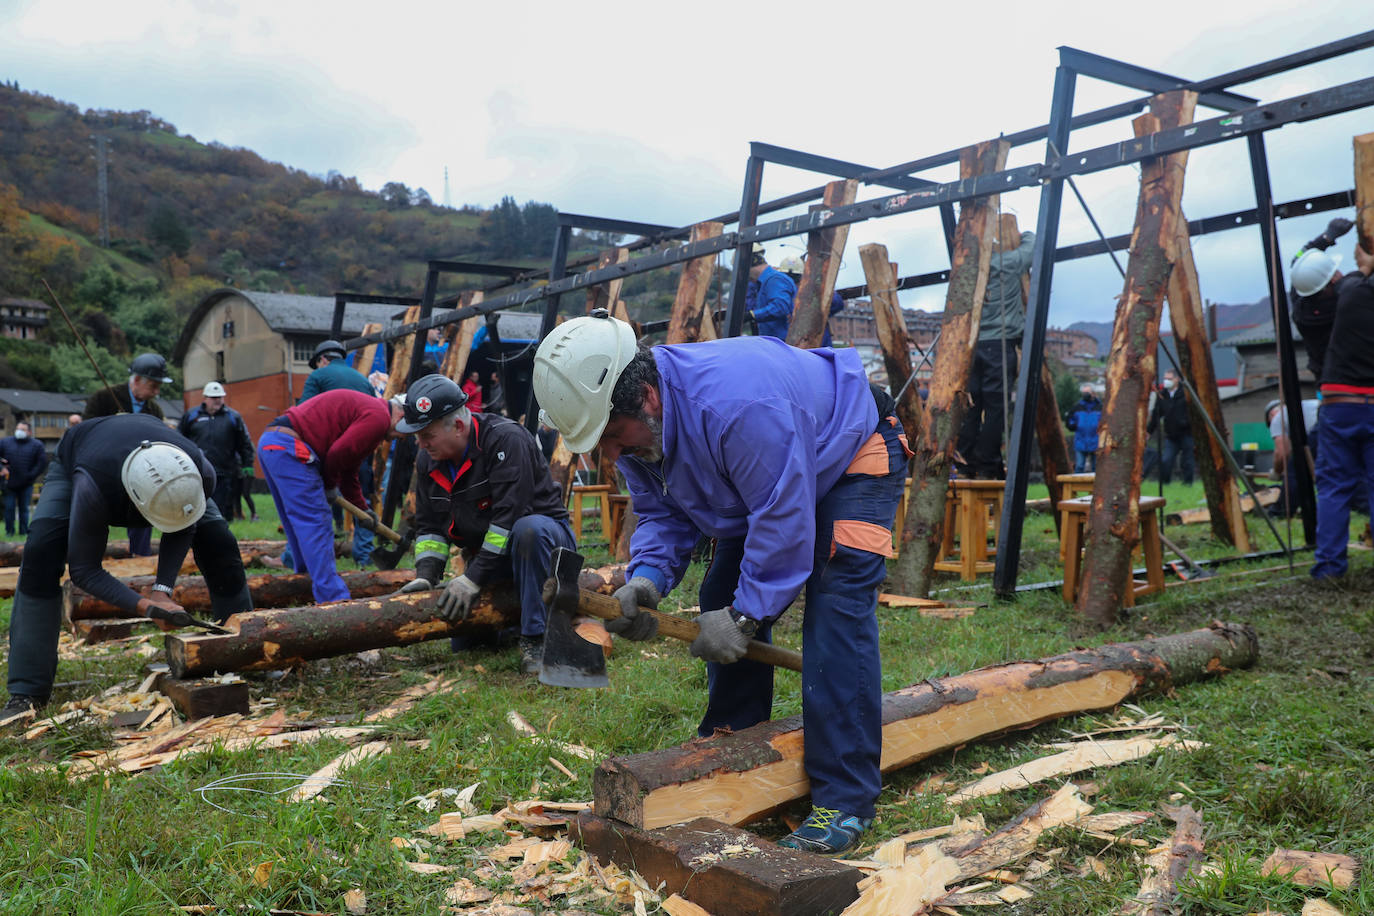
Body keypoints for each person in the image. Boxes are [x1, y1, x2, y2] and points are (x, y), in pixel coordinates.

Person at [533, 309, 908, 855]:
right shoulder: (636, 429)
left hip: (851, 447)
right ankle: (735, 747)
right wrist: (647, 580)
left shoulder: (737, 407)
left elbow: (783, 518)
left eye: (612, 436)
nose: (610, 454)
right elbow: (661, 514)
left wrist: (745, 617)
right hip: (761, 480)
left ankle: (845, 800)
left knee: (835, 613)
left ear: (648, 399)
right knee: (720, 595)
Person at [3, 413, 252, 717]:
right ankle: (26, 691)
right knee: (42, 549)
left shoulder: (200, 471)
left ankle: (248, 651)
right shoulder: (92, 487)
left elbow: (184, 524)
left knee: (219, 540)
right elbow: (84, 570)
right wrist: (146, 606)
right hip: (82, 456)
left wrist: (162, 591)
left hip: (160, 462)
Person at [392, 374, 575, 674]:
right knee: (468, 644)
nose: (421, 444)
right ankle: (510, 624)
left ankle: (537, 638)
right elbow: (429, 526)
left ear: (459, 427)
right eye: (418, 436)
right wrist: (426, 575)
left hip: (546, 548)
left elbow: (509, 519)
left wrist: (471, 578)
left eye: (427, 435)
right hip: (490, 558)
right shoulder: (429, 460)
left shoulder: (506, 440)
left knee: (528, 530)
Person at [257, 388, 403, 603]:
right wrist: (329, 484)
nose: (404, 437)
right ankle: (334, 600)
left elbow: (349, 469)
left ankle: (304, 580)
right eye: (406, 431)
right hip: (292, 447)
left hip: (272, 442)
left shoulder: (372, 413)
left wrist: (362, 509)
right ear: (400, 414)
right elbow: (336, 455)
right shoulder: (379, 418)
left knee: (297, 521)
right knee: (316, 522)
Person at [1312, 243, 1374, 582]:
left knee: (1335, 488)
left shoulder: (1340, 300)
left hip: (1340, 405)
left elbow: (1352, 279)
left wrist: (1364, 263)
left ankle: (1330, 568)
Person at [955, 230, 1034, 480]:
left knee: (970, 406)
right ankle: (988, 463)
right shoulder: (1005, 263)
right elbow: (1032, 248)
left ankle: (966, 461)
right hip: (999, 345)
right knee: (995, 408)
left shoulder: (966, 269)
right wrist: (1025, 234)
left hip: (971, 346)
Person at [83, 352, 172, 557]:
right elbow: (85, 434)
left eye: (159, 386)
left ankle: (139, 557)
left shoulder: (155, 410)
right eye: (153, 385)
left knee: (144, 511)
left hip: (138, 472)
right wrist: (111, 426)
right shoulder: (103, 398)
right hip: (103, 471)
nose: (157, 392)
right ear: (137, 380)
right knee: (93, 517)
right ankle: (89, 561)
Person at [1289, 217, 1355, 382]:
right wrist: (1328, 236)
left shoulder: (1301, 305)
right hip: (1360, 384)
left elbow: (1298, 260)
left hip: (1327, 383)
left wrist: (1326, 238)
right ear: (1333, 280)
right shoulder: (1350, 303)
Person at [178, 382, 254, 522]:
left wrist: (247, 464)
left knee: (224, 507)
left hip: (225, 470)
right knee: (198, 503)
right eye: (213, 397)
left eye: (220, 397)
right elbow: (179, 439)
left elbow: (244, 443)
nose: (217, 400)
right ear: (205, 398)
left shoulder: (233, 417)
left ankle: (225, 530)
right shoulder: (191, 416)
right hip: (198, 470)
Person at [779, 255, 846, 346]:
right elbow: (837, 303)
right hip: (818, 348)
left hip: (795, 348)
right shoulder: (813, 291)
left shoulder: (780, 296)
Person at [0, 421, 49, 537]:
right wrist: (1, 467)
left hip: (26, 483)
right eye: (18, 429)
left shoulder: (37, 445)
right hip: (8, 483)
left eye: (22, 429)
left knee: (24, 509)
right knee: (9, 508)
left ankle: (24, 531)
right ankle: (9, 531)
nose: (19, 431)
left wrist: (31, 475)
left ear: (29, 432)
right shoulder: (5, 442)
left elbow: (42, 463)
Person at [1147, 370, 1194, 485]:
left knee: (1187, 461)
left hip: (1186, 434)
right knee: (1166, 460)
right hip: (1171, 436)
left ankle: (1187, 484)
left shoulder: (1185, 394)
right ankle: (1165, 482)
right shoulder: (1163, 395)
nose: (1166, 381)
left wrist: (1186, 423)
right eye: (1165, 378)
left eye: (1169, 378)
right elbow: (1156, 415)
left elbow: (1193, 413)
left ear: (1177, 379)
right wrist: (1148, 431)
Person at [745, 244, 797, 340]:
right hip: (775, 343)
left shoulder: (774, 280)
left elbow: (780, 307)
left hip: (783, 344)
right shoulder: (764, 283)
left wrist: (753, 315)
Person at [299, 340, 374, 403]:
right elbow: (378, 407)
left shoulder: (317, 375)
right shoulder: (363, 379)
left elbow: (303, 409)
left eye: (317, 366)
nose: (318, 369)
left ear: (323, 360)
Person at [1065, 384, 1103, 473]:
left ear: (1093, 393)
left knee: (1096, 467)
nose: (1085, 394)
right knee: (1079, 465)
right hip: (1081, 440)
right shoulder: (1077, 407)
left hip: (1096, 441)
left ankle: (1096, 486)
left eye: (1087, 392)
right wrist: (1073, 425)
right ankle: (1077, 486)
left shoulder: (1101, 407)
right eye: (1084, 392)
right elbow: (1070, 419)